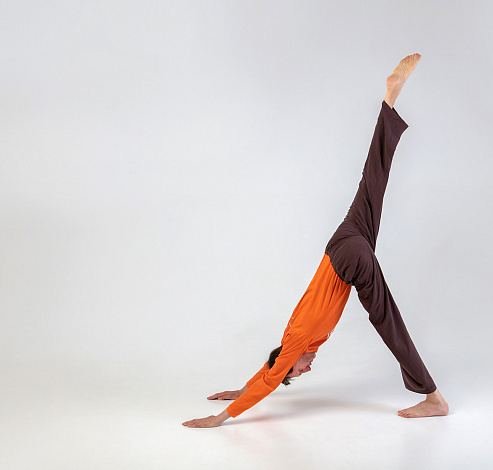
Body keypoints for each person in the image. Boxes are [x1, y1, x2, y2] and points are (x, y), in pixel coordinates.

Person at [182, 53, 449, 428]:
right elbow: (269, 371)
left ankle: (434, 398)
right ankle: (390, 101)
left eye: (298, 372)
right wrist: (241, 389)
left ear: (289, 361)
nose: (307, 370)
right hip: (344, 240)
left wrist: (220, 417)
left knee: (388, 321)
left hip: (349, 260)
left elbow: (270, 379)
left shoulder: (296, 343)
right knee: (372, 182)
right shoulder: (299, 340)